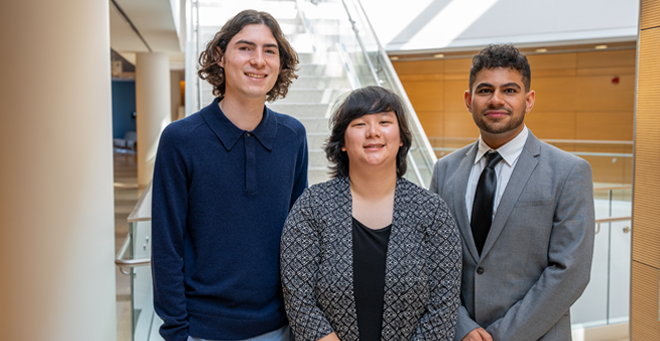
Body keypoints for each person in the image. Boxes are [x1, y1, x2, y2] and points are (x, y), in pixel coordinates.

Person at [151, 9, 307, 341]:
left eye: (269, 50)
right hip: (202, 329)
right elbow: (167, 245)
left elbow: (300, 240)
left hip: (279, 329)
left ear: (280, 64)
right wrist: (177, 332)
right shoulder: (181, 140)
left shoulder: (293, 137)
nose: (259, 60)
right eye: (245, 48)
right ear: (220, 57)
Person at [429, 44, 595, 341]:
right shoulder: (445, 171)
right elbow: (433, 262)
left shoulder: (569, 171)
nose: (496, 100)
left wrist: (502, 337)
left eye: (509, 90)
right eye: (484, 90)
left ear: (528, 100)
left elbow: (570, 273)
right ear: (469, 100)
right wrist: (462, 327)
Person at [281, 86, 462, 341]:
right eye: (359, 123)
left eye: (385, 121)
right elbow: (299, 300)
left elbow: (443, 306)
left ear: (401, 138)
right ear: (342, 142)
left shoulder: (432, 212)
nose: (373, 132)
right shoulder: (312, 207)